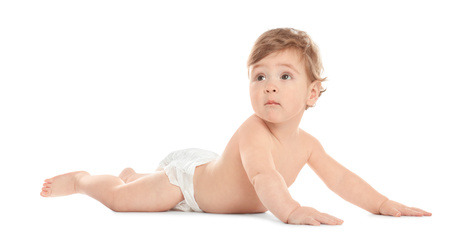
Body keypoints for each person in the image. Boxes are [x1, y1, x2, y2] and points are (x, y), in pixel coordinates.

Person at [40, 28, 431, 225]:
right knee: (123, 202)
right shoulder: (253, 132)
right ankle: (84, 181)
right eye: (259, 77)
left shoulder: (308, 144)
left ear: (313, 93)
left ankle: (134, 175)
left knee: (137, 187)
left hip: (214, 169)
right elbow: (262, 177)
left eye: (285, 76)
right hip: (188, 185)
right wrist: (291, 211)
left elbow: (341, 179)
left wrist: (381, 203)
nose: (270, 85)